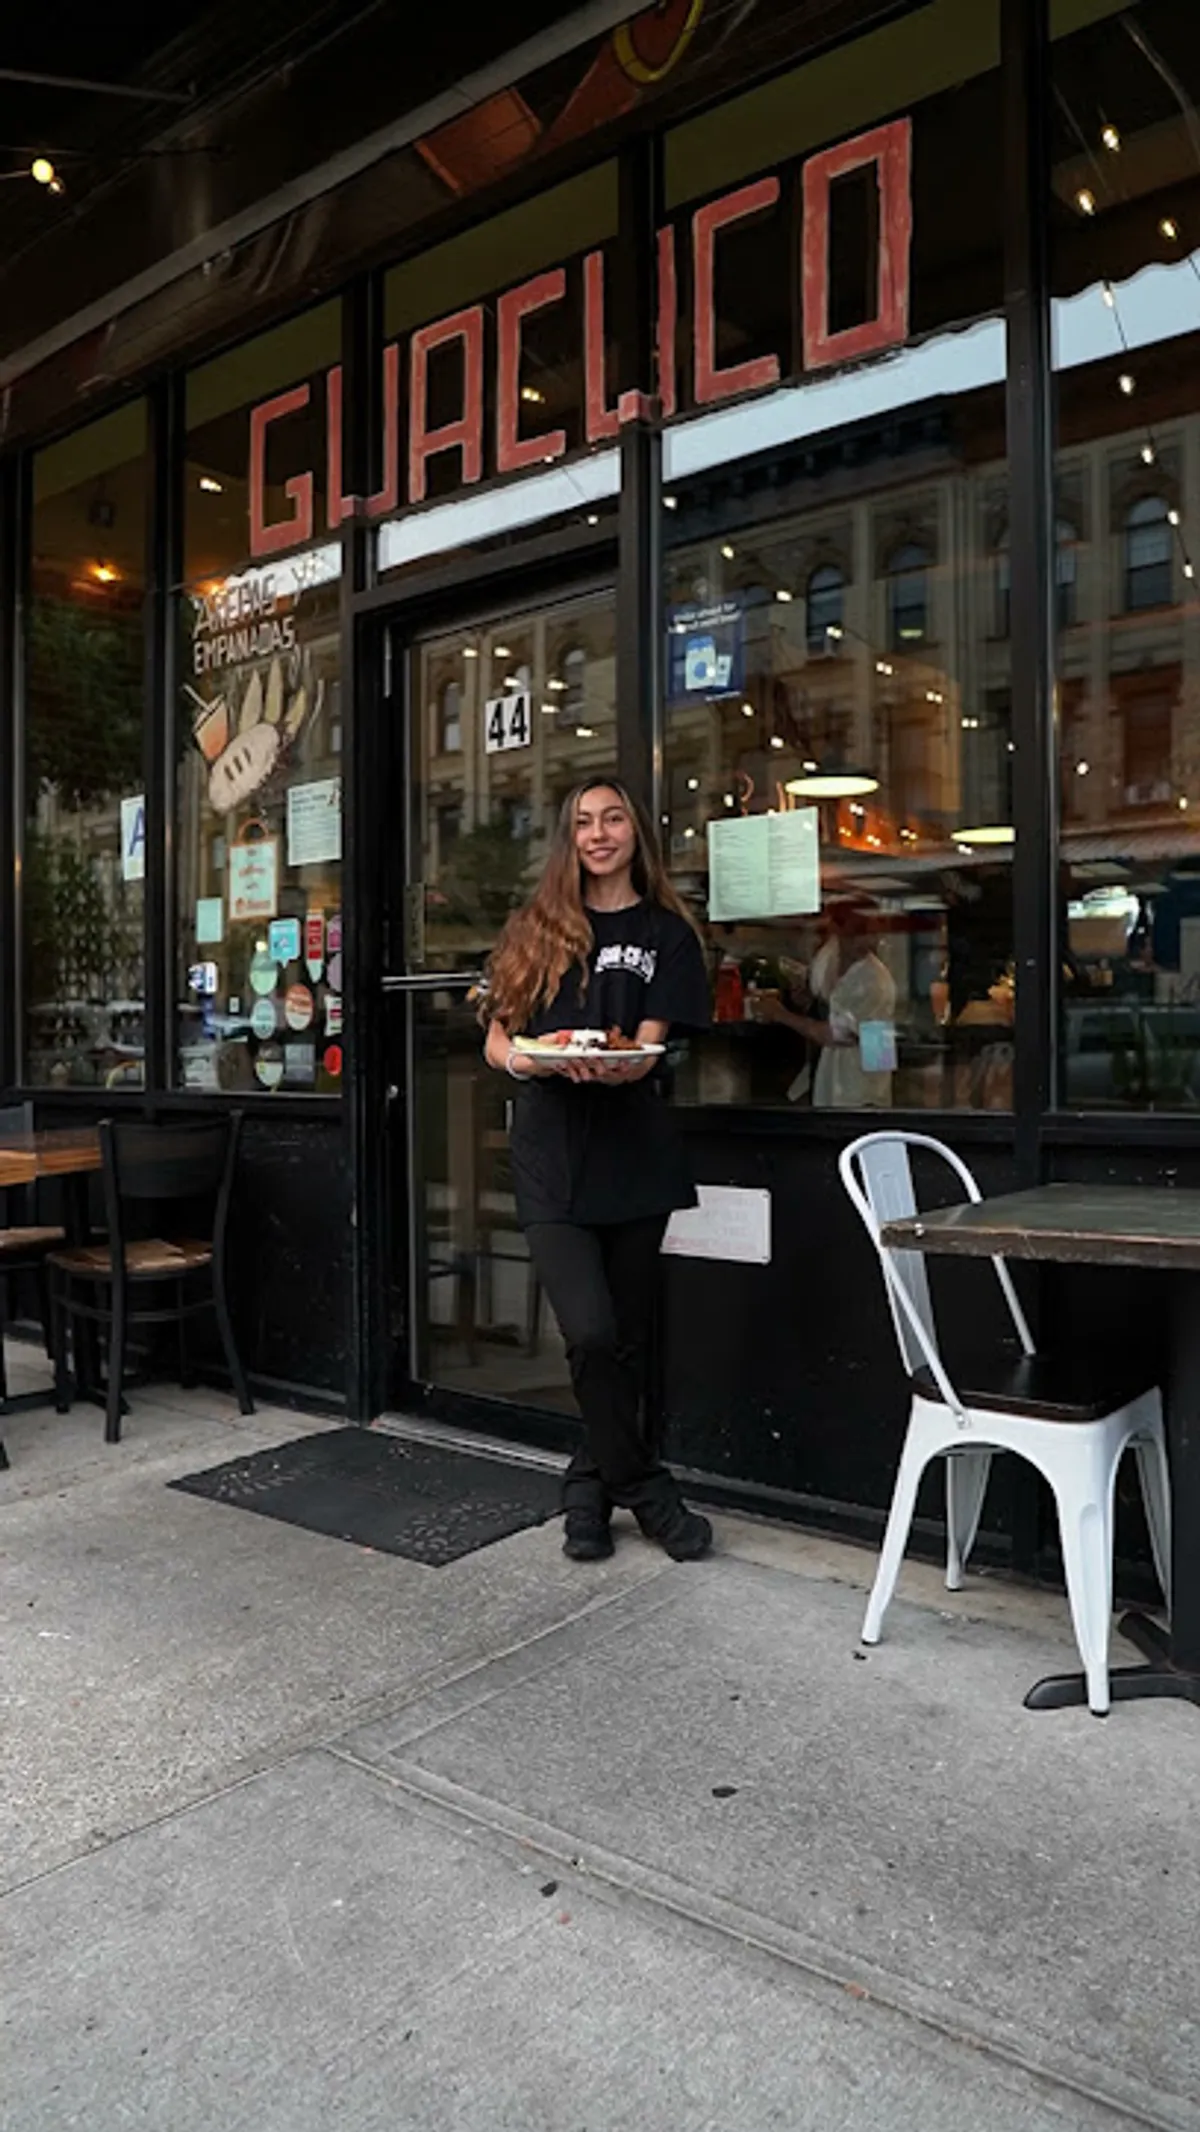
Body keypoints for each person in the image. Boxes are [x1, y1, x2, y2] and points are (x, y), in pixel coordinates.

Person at [482, 778, 714, 1563]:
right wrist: (525, 1060)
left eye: (613, 818)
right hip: (551, 1155)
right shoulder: (535, 927)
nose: (598, 833)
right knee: (589, 1330)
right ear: (568, 838)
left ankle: (587, 1487)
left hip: (634, 1155)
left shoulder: (667, 934)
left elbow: (642, 1045)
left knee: (621, 1342)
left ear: (634, 832)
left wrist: (612, 1062)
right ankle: (647, 1490)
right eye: (583, 821)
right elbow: (498, 1041)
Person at [754, 899, 897, 1108]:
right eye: (857, 931)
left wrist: (780, 1014)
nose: (867, 941)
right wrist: (805, 998)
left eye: (873, 933)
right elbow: (822, 994)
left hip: (864, 1092)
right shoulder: (828, 955)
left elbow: (837, 1034)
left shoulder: (877, 981)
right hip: (826, 1077)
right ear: (836, 928)